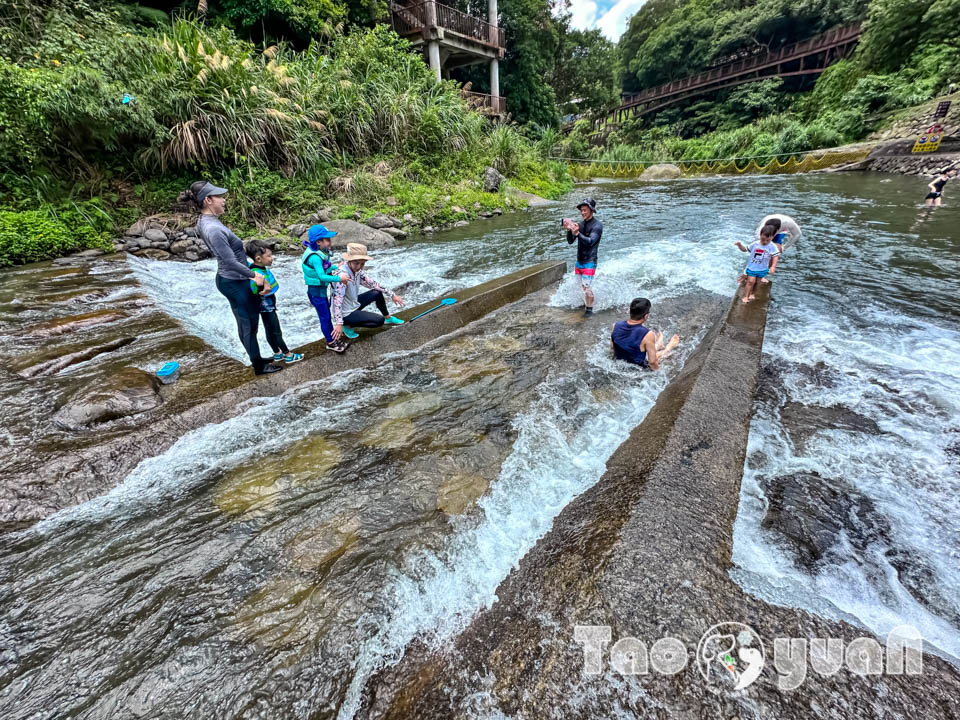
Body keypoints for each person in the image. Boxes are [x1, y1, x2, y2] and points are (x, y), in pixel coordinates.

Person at [188, 180, 282, 375]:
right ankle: (258, 365)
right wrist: (254, 275)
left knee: (249, 323)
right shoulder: (213, 229)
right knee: (248, 324)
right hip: (233, 281)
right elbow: (229, 261)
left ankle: (256, 357)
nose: (223, 200)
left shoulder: (206, 221)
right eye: (220, 197)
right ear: (208, 200)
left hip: (232, 278)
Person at [330, 243, 405, 342]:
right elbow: (337, 301)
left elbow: (374, 284)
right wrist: (338, 323)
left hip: (353, 304)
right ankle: (347, 325)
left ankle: (388, 317)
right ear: (349, 261)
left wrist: (392, 295)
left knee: (376, 292)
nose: (359, 267)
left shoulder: (358, 272)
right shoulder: (343, 276)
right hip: (345, 313)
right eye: (356, 263)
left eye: (362, 264)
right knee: (379, 321)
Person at [245, 240, 303, 365]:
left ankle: (277, 353)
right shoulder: (259, 276)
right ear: (259, 258)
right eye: (269, 256)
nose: (272, 258)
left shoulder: (253, 270)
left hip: (263, 307)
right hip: (267, 306)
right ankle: (288, 354)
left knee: (268, 329)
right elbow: (257, 289)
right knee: (276, 331)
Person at [302, 224, 350, 354]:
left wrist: (334, 267)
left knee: (326, 315)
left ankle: (333, 339)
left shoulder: (318, 252)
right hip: (316, 292)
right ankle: (331, 342)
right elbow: (322, 276)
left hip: (318, 290)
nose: (330, 242)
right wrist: (339, 279)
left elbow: (324, 269)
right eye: (327, 239)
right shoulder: (315, 257)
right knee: (325, 317)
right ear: (318, 242)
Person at [610, 297, 679, 371]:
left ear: (629, 311)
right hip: (638, 368)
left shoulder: (616, 325)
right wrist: (658, 372)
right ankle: (668, 347)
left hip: (620, 362)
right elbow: (652, 362)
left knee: (635, 349)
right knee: (655, 357)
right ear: (646, 316)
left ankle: (658, 345)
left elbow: (612, 349)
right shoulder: (647, 334)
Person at [562, 197, 603, 317]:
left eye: (585, 210)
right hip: (579, 262)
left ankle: (589, 311)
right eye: (581, 210)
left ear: (591, 210)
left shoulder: (597, 226)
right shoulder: (579, 224)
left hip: (590, 262)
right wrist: (569, 231)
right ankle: (584, 304)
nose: (583, 212)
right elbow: (570, 241)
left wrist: (578, 233)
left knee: (586, 287)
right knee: (581, 287)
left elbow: (590, 241)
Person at [734, 224, 780, 302]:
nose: (765, 242)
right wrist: (739, 245)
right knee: (750, 282)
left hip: (762, 269)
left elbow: (775, 256)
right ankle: (746, 296)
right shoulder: (755, 244)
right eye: (763, 239)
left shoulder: (772, 246)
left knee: (758, 283)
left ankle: (753, 293)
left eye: (768, 240)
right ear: (760, 235)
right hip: (752, 267)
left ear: (772, 237)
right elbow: (745, 249)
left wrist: (773, 267)